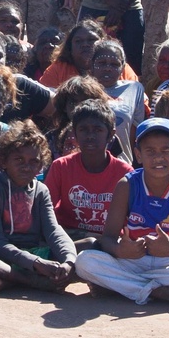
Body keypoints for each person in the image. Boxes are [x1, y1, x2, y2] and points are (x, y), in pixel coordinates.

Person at [74, 118, 169, 305]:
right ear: (138, 155)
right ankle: (158, 292)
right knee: (85, 262)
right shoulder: (127, 185)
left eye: (166, 151)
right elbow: (107, 238)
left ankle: (128, 287)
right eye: (150, 151)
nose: (158, 157)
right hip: (134, 261)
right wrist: (120, 250)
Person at [0, 120, 78, 292]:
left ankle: (12, 281)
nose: (26, 167)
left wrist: (68, 261)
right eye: (19, 160)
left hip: (35, 253)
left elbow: (53, 230)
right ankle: (29, 281)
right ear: (4, 161)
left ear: (40, 166)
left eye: (33, 162)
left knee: (89, 245)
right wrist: (35, 263)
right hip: (1, 258)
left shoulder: (40, 190)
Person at [45, 97, 129, 242]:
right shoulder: (61, 166)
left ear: (110, 135)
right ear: (75, 133)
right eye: (83, 130)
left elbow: (130, 221)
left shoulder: (125, 173)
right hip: (69, 237)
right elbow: (45, 212)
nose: (90, 136)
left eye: (98, 130)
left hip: (110, 240)